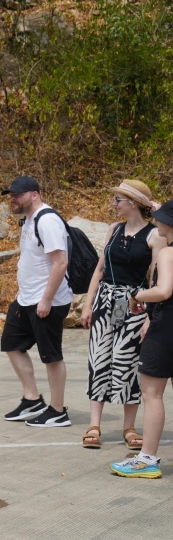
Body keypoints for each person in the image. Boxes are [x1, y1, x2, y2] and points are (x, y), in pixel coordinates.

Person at [80, 180, 165, 449]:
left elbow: (156, 278)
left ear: (134, 204)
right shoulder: (113, 230)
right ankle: (95, 423)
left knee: (127, 361)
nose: (114, 204)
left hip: (135, 303)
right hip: (106, 301)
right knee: (98, 357)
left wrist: (150, 317)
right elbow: (99, 270)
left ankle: (129, 426)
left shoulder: (155, 235)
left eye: (118, 199)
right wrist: (87, 303)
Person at [0, 176, 74, 428]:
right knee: (11, 343)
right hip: (26, 299)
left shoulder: (48, 220)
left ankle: (57, 410)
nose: (13, 198)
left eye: (17, 194)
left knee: (50, 356)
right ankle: (32, 399)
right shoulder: (29, 221)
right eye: (10, 195)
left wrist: (46, 299)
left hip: (47, 301)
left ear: (34, 194)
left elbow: (60, 263)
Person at [111, 200, 173, 478]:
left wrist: (136, 296)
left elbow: (163, 291)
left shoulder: (168, 253)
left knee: (151, 393)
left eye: (159, 219)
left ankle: (146, 458)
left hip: (166, 328)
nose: (155, 222)